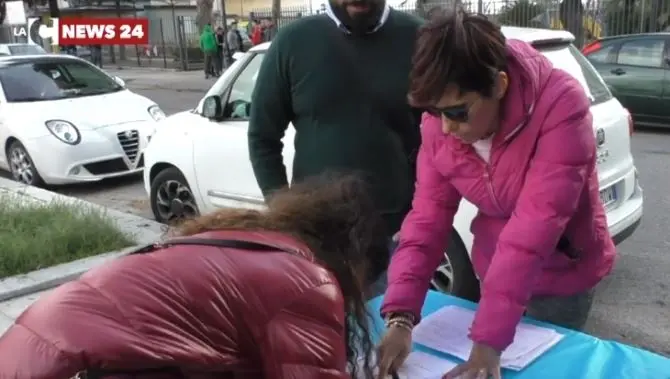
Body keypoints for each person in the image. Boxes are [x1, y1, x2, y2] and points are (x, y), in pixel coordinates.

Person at [376, 8, 615, 379]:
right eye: (434, 112)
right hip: (494, 271)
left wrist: (487, 345)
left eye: (457, 111)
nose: (447, 127)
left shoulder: (561, 106)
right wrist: (401, 317)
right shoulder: (440, 124)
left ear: (500, 85)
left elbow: (534, 229)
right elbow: (427, 219)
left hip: (561, 273)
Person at [0, 174, 388, 379]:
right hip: (65, 367)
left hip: (35, 349)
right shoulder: (309, 282)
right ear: (352, 263)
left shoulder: (253, 238)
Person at [248, 0, 423, 298]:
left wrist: (423, 214)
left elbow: (443, 136)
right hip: (315, 235)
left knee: (388, 333)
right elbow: (263, 137)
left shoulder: (419, 38)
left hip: (396, 233)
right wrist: (284, 216)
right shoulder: (293, 42)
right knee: (322, 333)